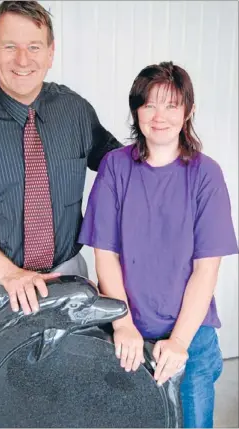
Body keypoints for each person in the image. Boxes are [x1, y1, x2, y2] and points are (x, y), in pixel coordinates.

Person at [0, 1, 121, 351]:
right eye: (10, 46)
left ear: (51, 52)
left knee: (73, 382)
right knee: (4, 395)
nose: (23, 60)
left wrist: (176, 158)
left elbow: (121, 167)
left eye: (34, 47)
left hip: (68, 275)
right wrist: (10, 274)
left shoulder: (75, 110)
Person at [78, 61, 238, 428]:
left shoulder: (206, 174)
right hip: (129, 334)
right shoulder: (115, 168)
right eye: (149, 104)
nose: (159, 115)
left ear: (188, 111)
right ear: (136, 110)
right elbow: (106, 256)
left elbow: (206, 270)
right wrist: (122, 325)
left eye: (171, 104)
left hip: (191, 338)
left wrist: (179, 340)